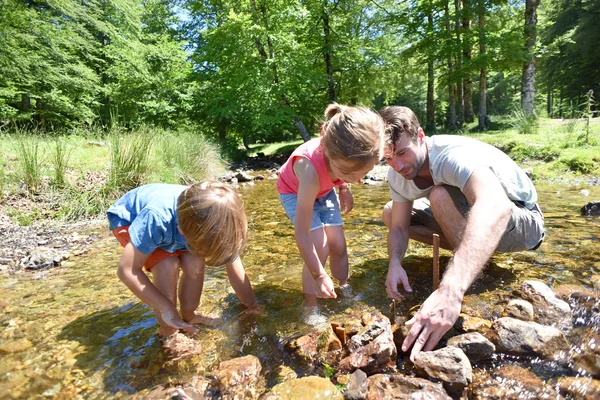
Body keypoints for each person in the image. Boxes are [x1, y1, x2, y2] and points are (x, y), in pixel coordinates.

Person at [380, 106, 545, 360]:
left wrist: (450, 291)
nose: (398, 165)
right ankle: (471, 259)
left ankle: (468, 271)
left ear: (420, 136)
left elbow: (496, 205)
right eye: (388, 158)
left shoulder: (451, 156)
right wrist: (394, 263)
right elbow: (399, 227)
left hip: (523, 219)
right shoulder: (397, 173)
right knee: (391, 213)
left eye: (402, 153)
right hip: (477, 216)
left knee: (439, 194)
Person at [107, 181, 258, 337]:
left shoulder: (219, 222)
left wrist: (251, 305)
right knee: (167, 264)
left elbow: (234, 264)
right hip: (130, 219)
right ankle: (168, 331)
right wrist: (166, 308)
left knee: (195, 262)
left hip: (178, 224)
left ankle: (190, 315)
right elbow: (127, 270)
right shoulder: (156, 218)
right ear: (182, 233)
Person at [277, 103, 385, 315]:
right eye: (348, 173)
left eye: (362, 173)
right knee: (319, 246)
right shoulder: (309, 170)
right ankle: (310, 304)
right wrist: (319, 274)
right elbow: (302, 234)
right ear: (327, 151)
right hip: (296, 191)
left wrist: (344, 187)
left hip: (325, 188)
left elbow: (346, 172)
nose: (357, 179)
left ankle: (343, 287)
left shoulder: (344, 160)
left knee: (337, 243)